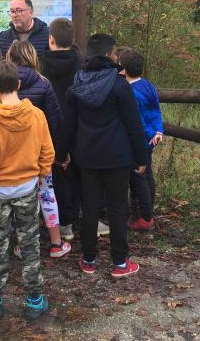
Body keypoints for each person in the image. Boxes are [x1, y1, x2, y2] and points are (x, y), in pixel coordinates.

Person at [58, 34, 146, 278]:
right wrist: (141, 159)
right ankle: (119, 262)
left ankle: (88, 259)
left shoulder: (77, 83)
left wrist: (62, 153)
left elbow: (69, 124)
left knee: (90, 207)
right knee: (118, 207)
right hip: (117, 157)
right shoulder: (120, 86)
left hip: (86, 156)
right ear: (110, 55)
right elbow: (133, 125)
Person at [0, 61, 54, 321]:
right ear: (19, 85)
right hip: (26, 187)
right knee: (30, 244)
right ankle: (34, 300)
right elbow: (48, 151)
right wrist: (40, 174)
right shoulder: (37, 116)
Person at [6, 41, 71, 259]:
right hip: (38, 152)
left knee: (17, 198)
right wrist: (59, 151)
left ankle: (22, 245)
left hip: (11, 153)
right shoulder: (43, 83)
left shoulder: (3, 82)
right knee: (47, 195)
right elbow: (55, 120)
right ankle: (55, 243)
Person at [39, 18, 83, 240]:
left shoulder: (40, 65)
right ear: (73, 40)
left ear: (51, 39)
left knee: (52, 176)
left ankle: (56, 222)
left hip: (48, 127)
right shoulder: (82, 64)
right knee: (77, 173)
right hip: (78, 127)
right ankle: (74, 219)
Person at [117, 48, 164, 231]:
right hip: (151, 138)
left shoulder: (130, 92)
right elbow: (155, 110)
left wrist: (147, 134)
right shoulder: (148, 85)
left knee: (138, 177)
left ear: (124, 69)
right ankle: (146, 209)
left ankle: (143, 215)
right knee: (147, 175)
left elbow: (137, 121)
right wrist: (158, 130)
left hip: (138, 141)